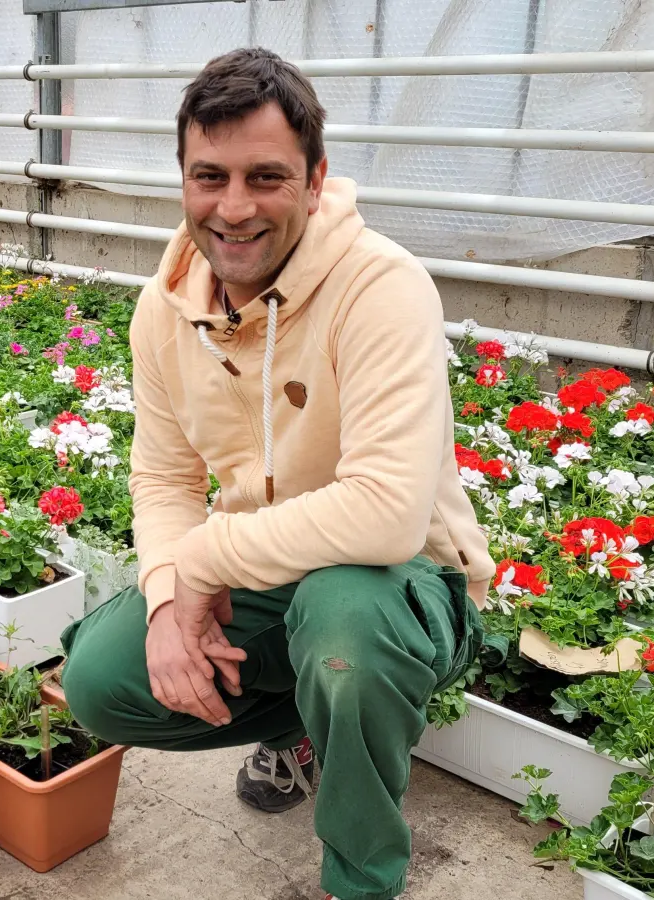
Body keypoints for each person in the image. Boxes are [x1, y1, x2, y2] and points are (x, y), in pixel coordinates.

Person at [59, 48, 493, 900]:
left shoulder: (381, 286)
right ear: (182, 177)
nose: (233, 208)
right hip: (271, 574)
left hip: (402, 586)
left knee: (344, 632)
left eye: (265, 177)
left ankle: (361, 876)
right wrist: (162, 605)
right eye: (207, 176)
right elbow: (163, 477)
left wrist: (207, 564)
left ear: (315, 175)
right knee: (103, 680)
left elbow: (384, 518)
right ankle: (310, 724)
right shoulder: (166, 306)